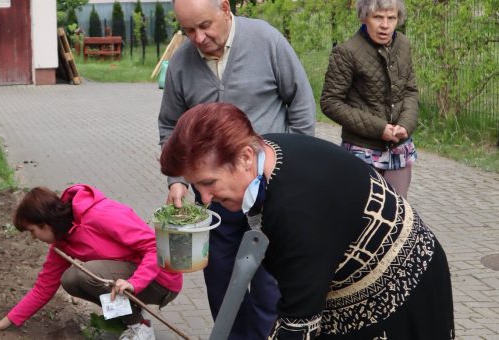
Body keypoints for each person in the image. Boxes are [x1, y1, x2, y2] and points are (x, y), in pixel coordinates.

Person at [160, 102, 454, 339]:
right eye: (196, 186)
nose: (205, 198)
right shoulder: (264, 157)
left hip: (403, 283)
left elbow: (298, 320)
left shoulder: (294, 208)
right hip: (343, 281)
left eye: (209, 182)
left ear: (246, 158)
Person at [157, 0, 316, 337]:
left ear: (225, 9)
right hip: (215, 197)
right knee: (221, 284)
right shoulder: (183, 63)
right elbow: (170, 125)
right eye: (187, 30)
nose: (198, 38)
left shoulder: (266, 40)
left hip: (269, 193)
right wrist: (177, 181)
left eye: (204, 26)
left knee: (267, 288)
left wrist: (293, 168)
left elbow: (300, 102)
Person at [0, 184, 183, 340]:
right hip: (132, 281)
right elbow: (43, 287)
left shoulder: (100, 215)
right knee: (70, 280)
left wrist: (135, 282)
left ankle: (140, 329)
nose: (34, 238)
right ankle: (132, 322)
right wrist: (3, 323)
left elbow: (158, 246)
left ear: (45, 222)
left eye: (33, 231)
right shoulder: (62, 242)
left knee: (84, 274)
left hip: (162, 280)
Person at [320, 0, 418, 198]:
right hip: (362, 151)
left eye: (391, 18)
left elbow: (410, 91)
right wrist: (379, 128)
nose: (385, 25)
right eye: (377, 17)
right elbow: (330, 102)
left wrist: (406, 125)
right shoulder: (346, 52)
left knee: (398, 216)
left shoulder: (404, 45)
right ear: (364, 18)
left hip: (399, 150)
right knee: (362, 217)